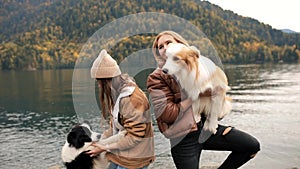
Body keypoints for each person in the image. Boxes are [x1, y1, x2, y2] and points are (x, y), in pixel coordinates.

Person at [147, 30, 260, 169]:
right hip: (183, 138)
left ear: (180, 44)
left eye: (168, 42)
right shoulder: (157, 77)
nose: (165, 47)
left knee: (251, 146)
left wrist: (214, 115)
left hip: (206, 129)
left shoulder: (199, 65)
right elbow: (167, 114)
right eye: (160, 46)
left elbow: (219, 92)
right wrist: (196, 97)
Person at [88, 49, 155, 169]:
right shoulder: (118, 93)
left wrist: (105, 147)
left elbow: (135, 136)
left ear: (106, 81)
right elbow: (115, 126)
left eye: (99, 82)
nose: (98, 86)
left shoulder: (131, 99)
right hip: (123, 152)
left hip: (135, 157)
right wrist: (100, 142)